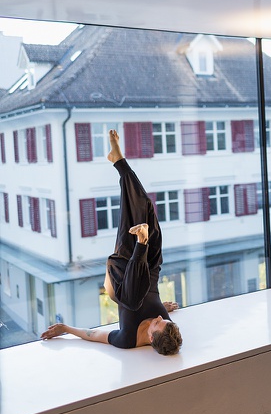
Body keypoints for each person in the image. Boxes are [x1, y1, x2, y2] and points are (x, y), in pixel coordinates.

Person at [41, 130, 182, 355]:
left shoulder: (127, 339)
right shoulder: (165, 325)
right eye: (162, 319)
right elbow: (158, 316)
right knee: (145, 206)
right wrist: (162, 310)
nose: (159, 317)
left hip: (123, 277)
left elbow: (95, 335)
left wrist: (65, 328)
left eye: (157, 322)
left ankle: (141, 242)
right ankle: (118, 161)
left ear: (150, 338)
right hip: (149, 270)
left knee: (133, 300)